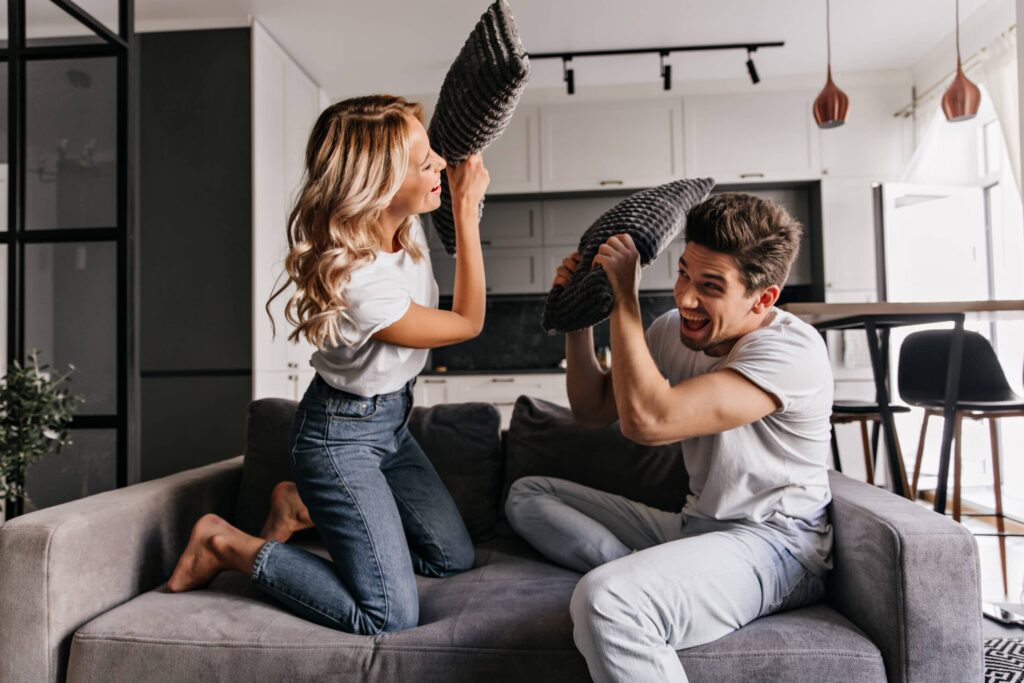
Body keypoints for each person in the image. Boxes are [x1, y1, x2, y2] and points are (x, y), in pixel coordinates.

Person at [167, 95, 490, 636]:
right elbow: (467, 322)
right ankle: (225, 543)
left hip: (392, 424)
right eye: (424, 160)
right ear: (379, 182)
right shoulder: (360, 280)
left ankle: (298, 506)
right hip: (340, 437)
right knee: (387, 614)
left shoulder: (403, 231)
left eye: (432, 151)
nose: (439, 164)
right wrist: (466, 210)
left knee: (451, 557)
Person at [505, 193, 833, 682]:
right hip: (697, 525)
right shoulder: (670, 332)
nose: (685, 298)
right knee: (527, 495)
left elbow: (648, 421)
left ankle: (641, 579)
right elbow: (592, 411)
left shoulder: (790, 351)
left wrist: (625, 298)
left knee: (607, 599)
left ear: (763, 298)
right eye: (683, 274)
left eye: (710, 286)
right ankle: (654, 570)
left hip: (777, 545)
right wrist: (581, 318)